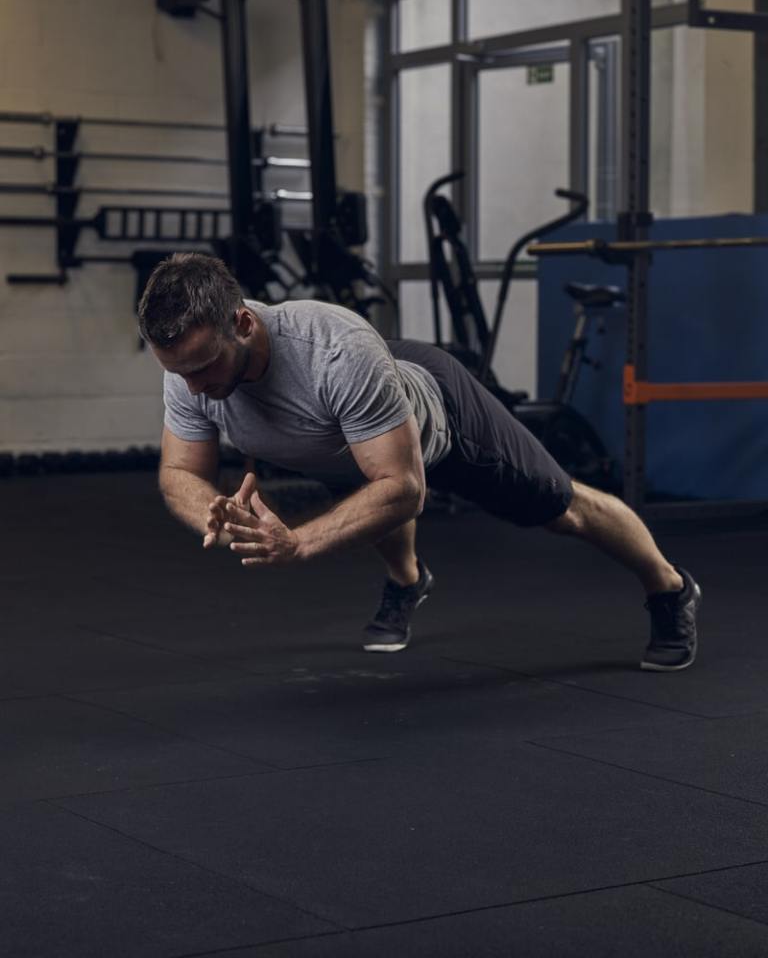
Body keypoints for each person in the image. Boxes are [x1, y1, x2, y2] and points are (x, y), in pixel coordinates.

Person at [137, 252, 700, 671]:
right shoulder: (189, 371)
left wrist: (300, 542)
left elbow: (404, 488)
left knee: (560, 507)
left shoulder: (333, 353)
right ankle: (408, 581)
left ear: (242, 324)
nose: (195, 387)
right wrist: (213, 510)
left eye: (205, 367)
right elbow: (179, 474)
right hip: (355, 420)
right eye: (179, 371)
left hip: (445, 419)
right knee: (363, 473)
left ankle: (669, 587)